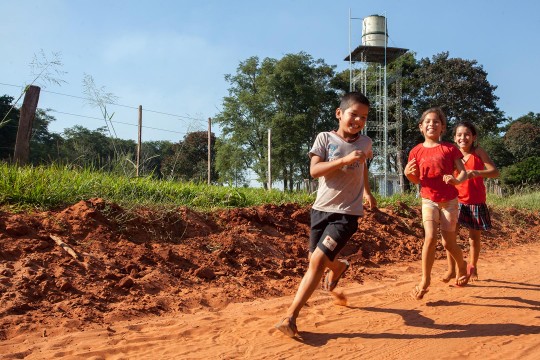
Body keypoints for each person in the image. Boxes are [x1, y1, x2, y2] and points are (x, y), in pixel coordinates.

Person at [274, 91, 376, 338]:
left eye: (363, 117)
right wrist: (343, 161)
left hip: (347, 213)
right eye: (354, 114)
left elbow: (362, 165)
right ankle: (339, 267)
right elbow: (315, 170)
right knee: (315, 260)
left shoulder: (366, 144)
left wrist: (367, 192)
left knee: (317, 262)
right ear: (339, 113)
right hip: (320, 210)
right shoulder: (324, 138)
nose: (358, 121)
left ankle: (291, 317)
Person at [404, 107, 472, 300]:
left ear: (442, 127)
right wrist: (407, 174)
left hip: (449, 202)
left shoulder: (450, 149)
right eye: (428, 121)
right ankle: (425, 280)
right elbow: (416, 179)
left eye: (436, 122)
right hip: (428, 200)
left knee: (448, 243)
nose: (431, 124)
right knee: (430, 238)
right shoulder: (415, 151)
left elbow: (463, 173)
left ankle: (462, 265)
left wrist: (456, 180)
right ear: (421, 127)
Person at [441, 121, 499, 283]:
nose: (463, 138)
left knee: (474, 237)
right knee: (450, 237)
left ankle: (472, 268)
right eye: (459, 135)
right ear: (454, 138)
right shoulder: (451, 153)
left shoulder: (478, 152)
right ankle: (452, 269)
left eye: (467, 134)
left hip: (475, 200)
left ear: (474, 137)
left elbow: (494, 172)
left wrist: (477, 173)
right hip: (454, 201)